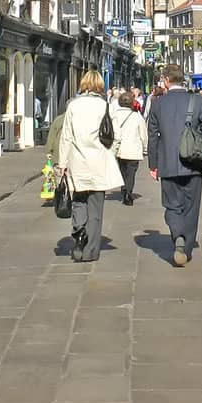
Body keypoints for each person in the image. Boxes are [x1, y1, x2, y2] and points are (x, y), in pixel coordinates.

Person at [147, 63, 202, 266]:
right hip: (193, 163)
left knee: (171, 205)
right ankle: (186, 246)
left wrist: (153, 164)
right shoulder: (198, 101)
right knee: (191, 206)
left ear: (166, 80)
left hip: (167, 163)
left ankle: (178, 235)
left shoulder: (158, 104)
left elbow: (152, 136)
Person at [58, 70, 122, 261]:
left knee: (78, 201)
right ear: (100, 86)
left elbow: (66, 137)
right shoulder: (106, 106)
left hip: (77, 162)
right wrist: (111, 154)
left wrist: (62, 163)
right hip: (99, 163)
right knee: (96, 207)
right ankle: (91, 250)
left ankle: (79, 234)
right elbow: (116, 136)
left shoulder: (73, 106)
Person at [112, 88, 148, 204]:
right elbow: (143, 134)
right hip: (133, 150)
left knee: (122, 170)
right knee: (131, 172)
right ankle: (128, 192)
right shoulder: (137, 117)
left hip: (119, 150)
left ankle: (124, 189)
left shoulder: (114, 116)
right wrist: (145, 148)